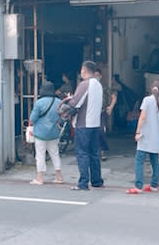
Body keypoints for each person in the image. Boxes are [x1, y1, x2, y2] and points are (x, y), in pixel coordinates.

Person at [64, 61, 103, 190]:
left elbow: (75, 103)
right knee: (94, 153)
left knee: (82, 153)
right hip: (96, 124)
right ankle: (96, 180)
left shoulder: (84, 84)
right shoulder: (98, 84)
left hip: (83, 123)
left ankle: (83, 182)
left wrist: (69, 99)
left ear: (84, 70)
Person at [127, 80, 159, 194]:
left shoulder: (147, 100)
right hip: (156, 135)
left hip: (145, 135)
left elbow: (142, 117)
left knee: (139, 160)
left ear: (152, 88)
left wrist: (137, 132)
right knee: (154, 160)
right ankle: (154, 185)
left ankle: (138, 186)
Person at [28, 82, 63, 185]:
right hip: (54, 132)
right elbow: (62, 116)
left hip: (40, 133)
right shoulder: (58, 102)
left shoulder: (39, 103)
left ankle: (40, 178)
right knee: (55, 154)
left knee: (40, 155)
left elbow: (33, 119)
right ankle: (59, 177)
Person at [94, 67, 117, 161]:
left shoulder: (103, 87)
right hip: (90, 114)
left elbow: (114, 96)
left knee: (101, 131)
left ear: (100, 76)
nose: (95, 77)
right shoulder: (87, 87)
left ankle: (103, 151)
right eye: (94, 75)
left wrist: (111, 107)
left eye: (97, 75)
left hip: (101, 112)